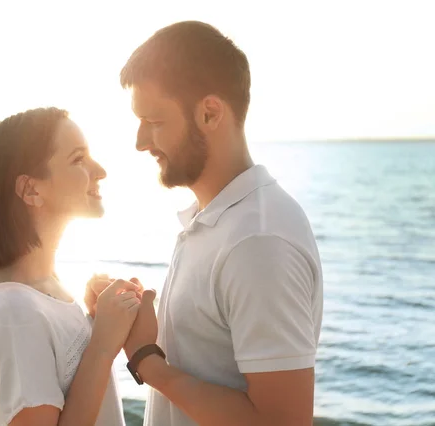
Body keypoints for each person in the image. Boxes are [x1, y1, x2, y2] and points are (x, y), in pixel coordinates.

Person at [91, 21, 324, 425]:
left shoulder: (258, 240)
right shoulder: (216, 221)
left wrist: (147, 359)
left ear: (210, 113)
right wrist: (129, 318)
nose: (140, 142)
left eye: (155, 121)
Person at [0, 107, 143, 426]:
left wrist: (94, 323)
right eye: (78, 159)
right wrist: (102, 343)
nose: (99, 171)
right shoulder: (13, 311)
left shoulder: (42, 292)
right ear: (31, 190)